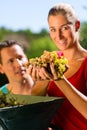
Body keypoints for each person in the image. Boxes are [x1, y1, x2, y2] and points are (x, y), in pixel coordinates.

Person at [28, 3, 87, 130]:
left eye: (64, 28)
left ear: (77, 25)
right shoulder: (51, 59)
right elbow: (33, 104)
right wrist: (43, 81)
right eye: (53, 29)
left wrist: (59, 80)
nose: (58, 36)